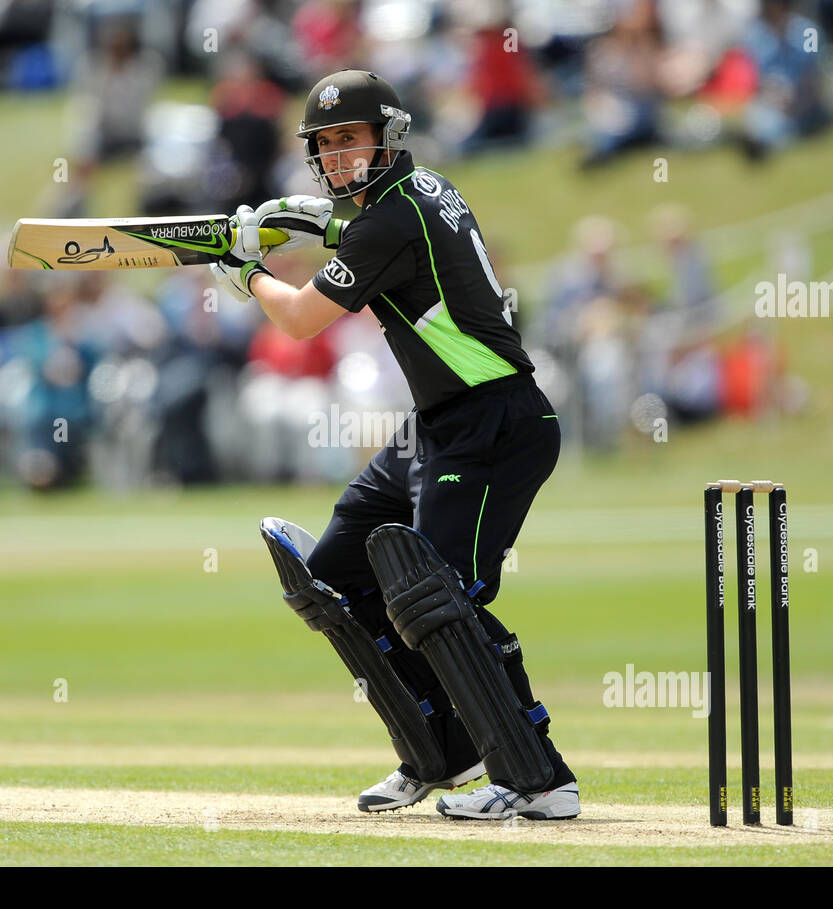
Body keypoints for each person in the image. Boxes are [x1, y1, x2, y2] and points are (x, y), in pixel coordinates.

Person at [212, 70, 578, 820]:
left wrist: (246, 272)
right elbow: (367, 233)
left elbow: (302, 319)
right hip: (438, 426)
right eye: (327, 145)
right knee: (335, 576)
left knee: (437, 598)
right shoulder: (420, 194)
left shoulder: (387, 224)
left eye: (353, 139)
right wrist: (311, 219)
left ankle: (540, 779)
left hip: (495, 426)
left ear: (388, 135)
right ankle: (437, 752)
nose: (341, 157)